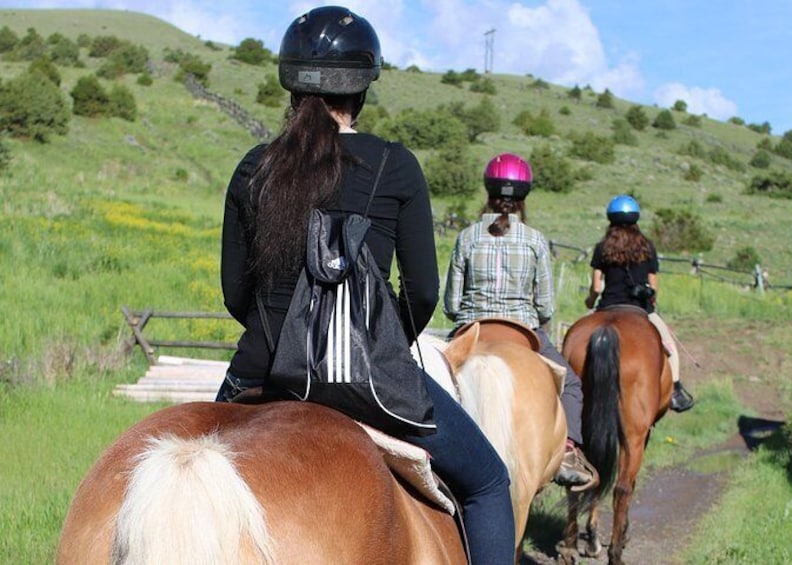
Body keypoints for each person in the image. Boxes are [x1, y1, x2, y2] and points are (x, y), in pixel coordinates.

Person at [214, 6, 515, 563]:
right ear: (361, 89)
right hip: (367, 379)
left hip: (260, 373)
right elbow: (423, 290)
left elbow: (236, 292)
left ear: (290, 85)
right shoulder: (395, 166)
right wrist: (380, 340)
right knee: (490, 484)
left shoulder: (252, 168)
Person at [443, 152, 599, 490]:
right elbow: (545, 307)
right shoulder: (535, 240)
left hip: (471, 330)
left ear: (488, 191)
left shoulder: (467, 237)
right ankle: (569, 451)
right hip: (523, 331)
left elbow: (452, 304)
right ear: (524, 197)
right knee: (571, 384)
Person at [584, 194, 695, 412]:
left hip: (607, 306)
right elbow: (654, 285)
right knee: (670, 348)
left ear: (610, 220)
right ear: (636, 220)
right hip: (640, 309)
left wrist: (590, 301)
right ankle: (675, 391)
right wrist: (651, 302)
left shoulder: (602, 248)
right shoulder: (647, 248)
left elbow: (596, 287)